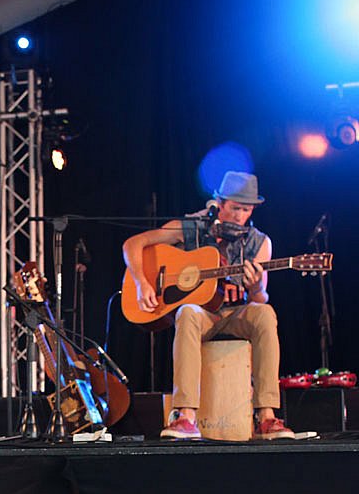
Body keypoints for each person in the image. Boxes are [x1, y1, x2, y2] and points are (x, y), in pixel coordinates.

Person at [122, 171, 294, 440]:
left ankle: (267, 416)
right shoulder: (192, 227)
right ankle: (186, 417)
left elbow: (260, 298)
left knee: (265, 313)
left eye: (246, 210)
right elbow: (134, 244)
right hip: (203, 314)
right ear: (220, 203)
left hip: (236, 313)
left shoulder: (259, 242)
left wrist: (255, 287)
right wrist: (142, 281)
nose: (240, 215)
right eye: (235, 208)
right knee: (187, 311)